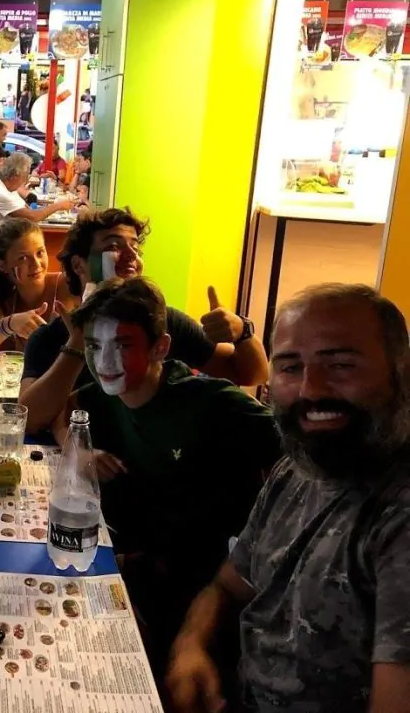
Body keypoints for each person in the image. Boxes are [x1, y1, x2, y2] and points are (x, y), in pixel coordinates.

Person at [166, 284, 410, 713]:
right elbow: (228, 585)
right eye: (291, 367)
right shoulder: (296, 469)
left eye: (341, 364)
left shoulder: (398, 514)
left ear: (401, 371)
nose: (311, 389)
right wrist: (191, 646)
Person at [67, 278, 279, 682]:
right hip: (143, 569)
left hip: (209, 593)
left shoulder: (210, 403)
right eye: (94, 346)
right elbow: (67, 411)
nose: (104, 360)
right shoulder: (102, 395)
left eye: (122, 345)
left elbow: (298, 449)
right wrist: (78, 448)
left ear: (160, 348)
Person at [19, 208, 269, 436]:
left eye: (136, 248)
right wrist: (77, 345)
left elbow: (252, 374)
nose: (131, 256)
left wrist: (243, 332)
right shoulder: (48, 337)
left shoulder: (161, 323)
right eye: (114, 246)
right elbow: (27, 421)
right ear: (78, 265)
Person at [0, 218, 74, 353]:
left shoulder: (70, 284)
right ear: (2, 266)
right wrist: (9, 324)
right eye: (23, 258)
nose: (36, 264)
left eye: (40, 253)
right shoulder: (7, 303)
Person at [0, 152, 74, 261]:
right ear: (15, 176)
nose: (26, 180)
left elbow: (26, 209)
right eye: (26, 175)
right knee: (36, 251)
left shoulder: (4, 185)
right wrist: (59, 205)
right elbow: (33, 217)